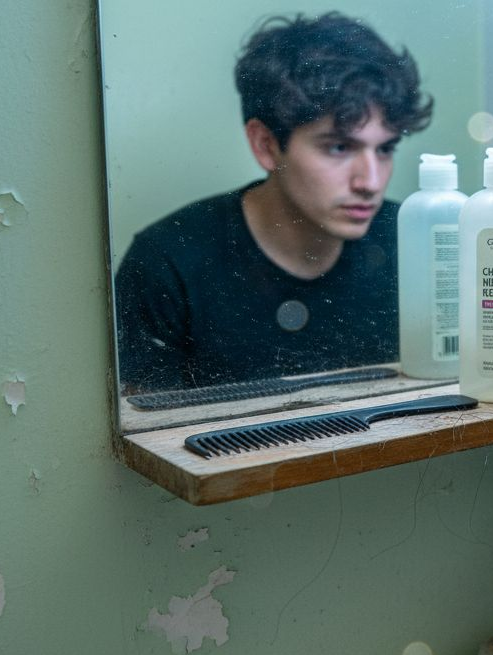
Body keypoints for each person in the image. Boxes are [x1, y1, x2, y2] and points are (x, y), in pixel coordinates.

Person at [114, 12, 433, 393]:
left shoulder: (416, 241)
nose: (371, 181)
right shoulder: (168, 262)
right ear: (265, 145)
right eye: (338, 147)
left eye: (385, 149)